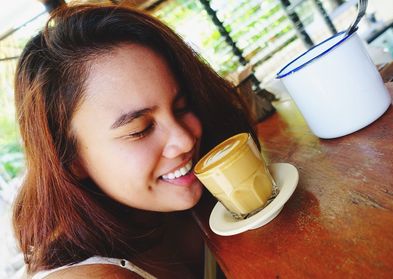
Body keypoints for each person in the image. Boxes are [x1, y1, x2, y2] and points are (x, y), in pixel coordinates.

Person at [12, 2, 259, 278]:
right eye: (140, 129)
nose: (186, 140)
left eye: (181, 107)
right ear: (69, 160)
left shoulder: (195, 197)